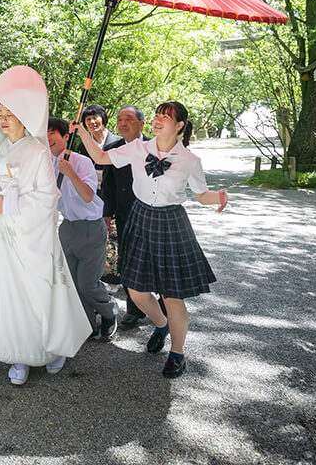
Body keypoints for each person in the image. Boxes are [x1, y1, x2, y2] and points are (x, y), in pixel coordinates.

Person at [79, 100, 226, 379]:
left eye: (166, 117)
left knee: (172, 296)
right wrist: (82, 131)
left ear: (179, 125)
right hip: (140, 217)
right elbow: (100, 157)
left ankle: (177, 353)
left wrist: (218, 198)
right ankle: (161, 325)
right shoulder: (137, 148)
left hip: (171, 223)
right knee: (135, 290)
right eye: (157, 114)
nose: (158, 119)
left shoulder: (190, 161)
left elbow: (201, 195)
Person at [0, 66, 89, 385]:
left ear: (24, 115)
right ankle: (19, 355)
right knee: (13, 297)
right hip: (5, 237)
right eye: (0, 112)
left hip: (34, 238)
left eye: (10, 112)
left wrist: (10, 203)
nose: (4, 118)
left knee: (41, 294)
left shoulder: (38, 152)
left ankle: (53, 349)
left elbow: (48, 197)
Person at [46, 117, 118, 340]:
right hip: (67, 228)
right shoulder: (43, 164)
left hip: (91, 229)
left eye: (52, 133)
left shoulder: (81, 161)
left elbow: (88, 196)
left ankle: (109, 311)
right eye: (44, 134)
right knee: (74, 284)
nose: (48, 139)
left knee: (88, 284)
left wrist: (70, 173)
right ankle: (86, 324)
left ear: (66, 136)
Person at [82, 106, 154, 326]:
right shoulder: (113, 148)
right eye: (120, 119)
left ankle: (161, 304)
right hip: (125, 213)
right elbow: (109, 186)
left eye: (129, 119)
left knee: (155, 260)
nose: (123, 123)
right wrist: (107, 213)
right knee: (129, 260)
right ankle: (135, 310)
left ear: (142, 124)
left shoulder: (155, 147)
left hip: (153, 214)